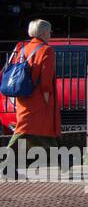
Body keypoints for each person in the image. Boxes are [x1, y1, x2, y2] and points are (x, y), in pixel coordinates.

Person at [5, 18, 58, 150]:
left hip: (23, 96)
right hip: (38, 98)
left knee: (29, 129)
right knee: (26, 130)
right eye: (49, 32)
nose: (50, 34)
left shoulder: (24, 48)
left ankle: (61, 161)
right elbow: (46, 79)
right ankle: (6, 163)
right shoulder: (47, 50)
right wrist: (47, 97)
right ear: (43, 33)